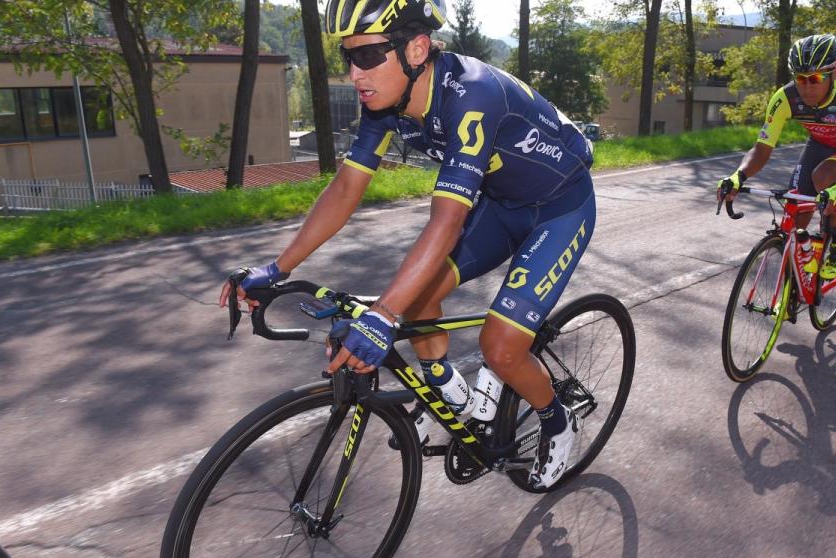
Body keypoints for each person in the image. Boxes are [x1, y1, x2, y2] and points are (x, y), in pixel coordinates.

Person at [220, 0, 596, 489]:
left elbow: (446, 219)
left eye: (370, 55)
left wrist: (382, 315)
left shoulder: (472, 94)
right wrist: (277, 267)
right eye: (348, 58)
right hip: (503, 205)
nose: (356, 73)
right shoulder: (385, 99)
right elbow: (345, 189)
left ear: (417, 48)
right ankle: (445, 392)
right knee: (417, 295)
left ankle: (556, 417)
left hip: (560, 208)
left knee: (500, 348)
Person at [717, 33, 836, 279]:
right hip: (820, 142)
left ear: (835, 72)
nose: (807, 87)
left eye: (815, 79)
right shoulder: (785, 97)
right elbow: (762, 149)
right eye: (800, 79)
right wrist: (738, 177)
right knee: (796, 205)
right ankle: (797, 277)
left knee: (824, 178)